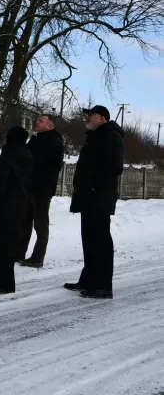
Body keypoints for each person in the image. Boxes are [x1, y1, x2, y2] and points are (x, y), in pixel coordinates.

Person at [64, 105, 124, 300]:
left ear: (102, 118)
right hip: (89, 196)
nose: (88, 117)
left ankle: (103, 286)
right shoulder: (95, 136)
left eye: (91, 115)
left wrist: (94, 186)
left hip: (99, 196)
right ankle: (88, 280)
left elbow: (115, 167)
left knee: (100, 241)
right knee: (89, 239)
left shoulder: (111, 136)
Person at [0, 126, 33, 294]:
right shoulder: (28, 157)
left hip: (4, 206)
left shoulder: (6, 159)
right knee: (7, 245)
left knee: (2, 246)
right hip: (20, 205)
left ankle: (6, 284)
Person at [18, 115, 65, 268]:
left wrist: (39, 179)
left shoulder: (54, 141)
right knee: (25, 221)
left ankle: (38, 258)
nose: (37, 122)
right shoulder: (36, 139)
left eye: (41, 121)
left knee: (40, 224)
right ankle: (18, 253)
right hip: (30, 187)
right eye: (37, 120)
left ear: (49, 125)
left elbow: (54, 167)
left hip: (42, 190)